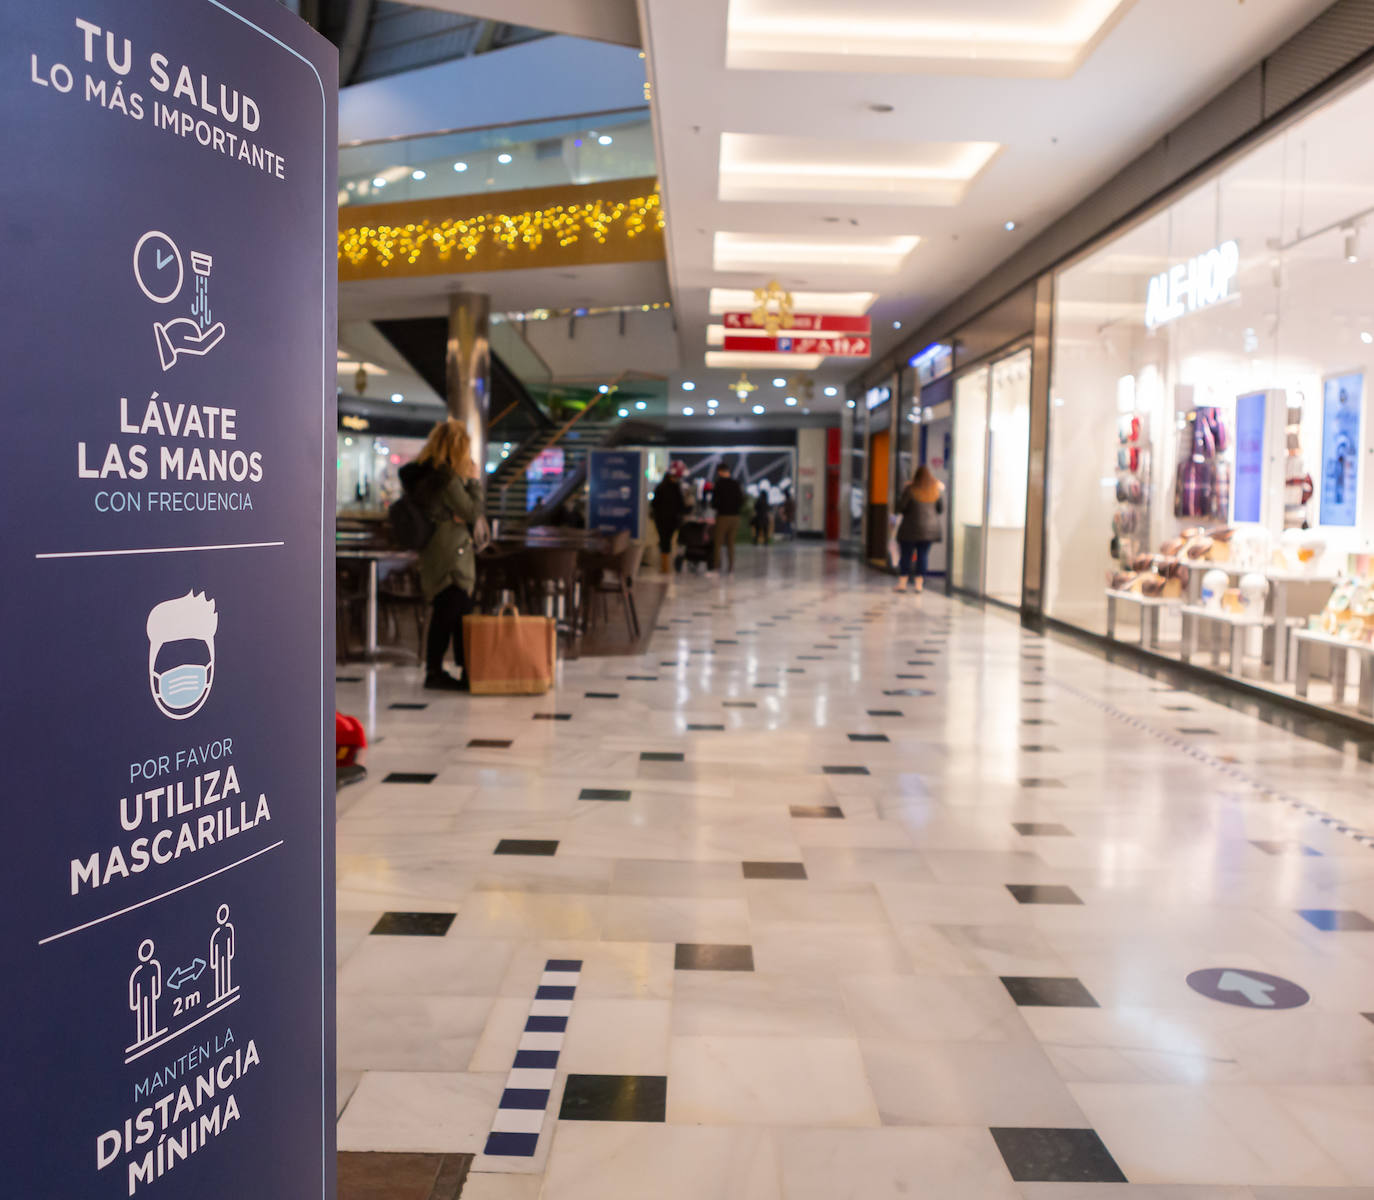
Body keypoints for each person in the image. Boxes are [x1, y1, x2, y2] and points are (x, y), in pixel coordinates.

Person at [400, 419, 483, 690]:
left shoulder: (428, 474)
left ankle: (449, 670)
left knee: (450, 612)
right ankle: (437, 672)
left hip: (436, 553)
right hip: (451, 557)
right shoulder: (447, 479)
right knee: (451, 612)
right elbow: (471, 511)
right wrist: (473, 482)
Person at [894, 465, 945, 593]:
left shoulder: (910, 489)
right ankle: (919, 585)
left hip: (909, 530)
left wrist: (904, 489)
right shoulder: (935, 491)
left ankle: (902, 584)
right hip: (929, 531)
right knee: (923, 556)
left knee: (906, 555)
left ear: (915, 477)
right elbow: (940, 509)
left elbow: (900, 508)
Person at [650, 461, 688, 573]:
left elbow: (654, 503)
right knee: (669, 542)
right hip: (672, 520)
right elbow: (681, 505)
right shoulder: (676, 488)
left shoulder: (660, 487)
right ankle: (667, 566)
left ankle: (665, 566)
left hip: (661, 519)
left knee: (664, 541)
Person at [710, 463, 744, 574]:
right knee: (730, 543)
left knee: (718, 543)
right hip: (735, 517)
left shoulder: (719, 484)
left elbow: (714, 503)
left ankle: (716, 567)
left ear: (719, 471)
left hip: (723, 516)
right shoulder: (736, 484)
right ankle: (731, 568)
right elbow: (741, 500)